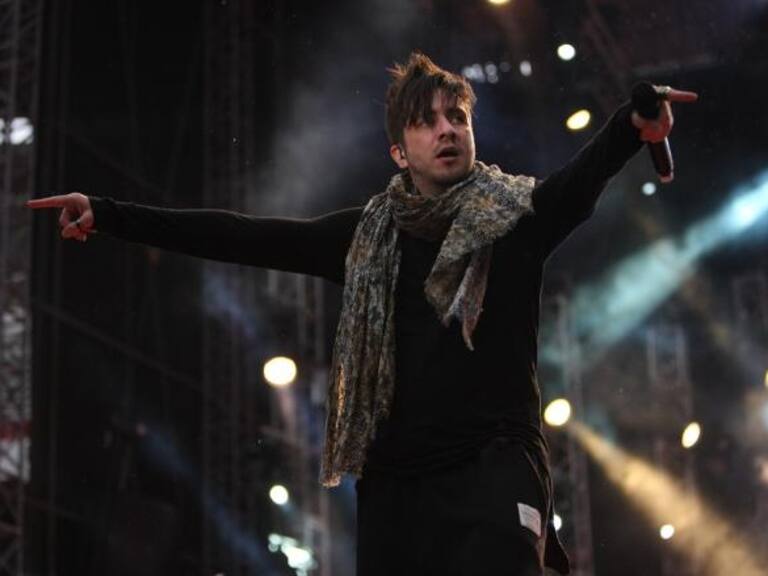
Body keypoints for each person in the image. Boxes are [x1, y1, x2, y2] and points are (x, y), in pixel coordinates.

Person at [27, 52, 697, 575]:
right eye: (427, 121)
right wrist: (109, 214)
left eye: (457, 118)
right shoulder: (366, 239)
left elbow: (580, 182)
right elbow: (240, 235)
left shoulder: (515, 219)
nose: (447, 130)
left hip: (496, 461)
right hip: (398, 481)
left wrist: (630, 126)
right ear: (399, 152)